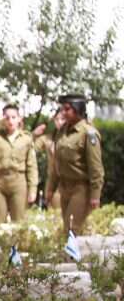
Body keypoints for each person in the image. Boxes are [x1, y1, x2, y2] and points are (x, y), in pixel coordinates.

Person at [44, 94, 104, 235]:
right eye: (62, 109)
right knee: (67, 229)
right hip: (64, 187)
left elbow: (96, 168)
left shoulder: (89, 134)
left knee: (71, 230)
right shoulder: (61, 131)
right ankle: (71, 256)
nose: (63, 113)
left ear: (78, 109)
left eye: (67, 109)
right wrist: (50, 188)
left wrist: (95, 195)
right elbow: (56, 164)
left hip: (81, 188)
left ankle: (70, 257)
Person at [32, 110, 66, 210]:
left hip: (71, 181)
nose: (59, 122)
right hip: (53, 182)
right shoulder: (48, 139)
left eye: (63, 119)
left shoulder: (75, 138)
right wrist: (34, 134)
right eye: (57, 119)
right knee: (55, 214)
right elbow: (30, 148)